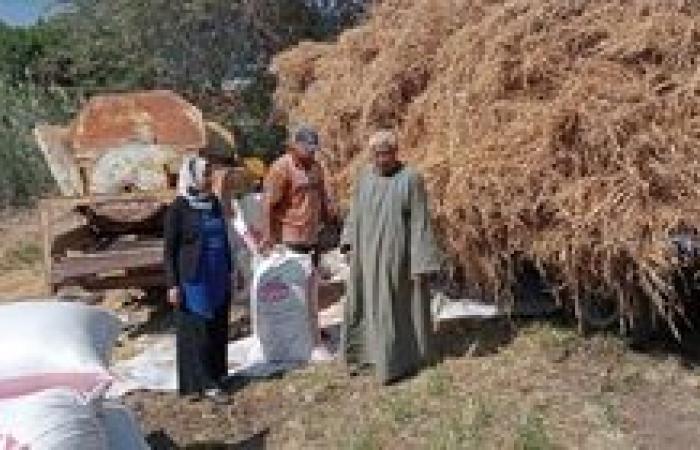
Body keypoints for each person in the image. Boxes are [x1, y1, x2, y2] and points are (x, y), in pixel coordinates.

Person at [340, 130, 442, 384]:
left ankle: (398, 360)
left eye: (386, 154)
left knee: (393, 308)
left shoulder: (410, 179)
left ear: (395, 153)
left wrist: (421, 261)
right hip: (366, 255)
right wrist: (349, 241)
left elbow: (420, 222)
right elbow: (355, 212)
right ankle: (365, 355)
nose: (381, 159)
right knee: (364, 303)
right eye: (376, 154)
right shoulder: (364, 178)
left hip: (397, 256)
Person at [261, 125, 334, 360]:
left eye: (314, 150)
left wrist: (326, 218)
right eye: (307, 150)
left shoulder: (315, 167)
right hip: (290, 237)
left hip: (312, 236)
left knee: (312, 287)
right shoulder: (281, 168)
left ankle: (313, 331)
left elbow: (321, 195)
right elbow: (268, 204)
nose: (311, 154)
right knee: (294, 290)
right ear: (294, 147)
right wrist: (268, 235)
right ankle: (298, 334)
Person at [164, 155, 232, 402]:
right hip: (194, 276)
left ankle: (217, 373)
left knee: (218, 324)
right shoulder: (178, 208)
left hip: (218, 271)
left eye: (209, 174)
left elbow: (223, 235)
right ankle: (205, 383)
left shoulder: (212, 202)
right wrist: (172, 283)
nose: (209, 178)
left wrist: (232, 269)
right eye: (205, 174)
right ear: (192, 176)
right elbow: (169, 250)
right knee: (200, 326)